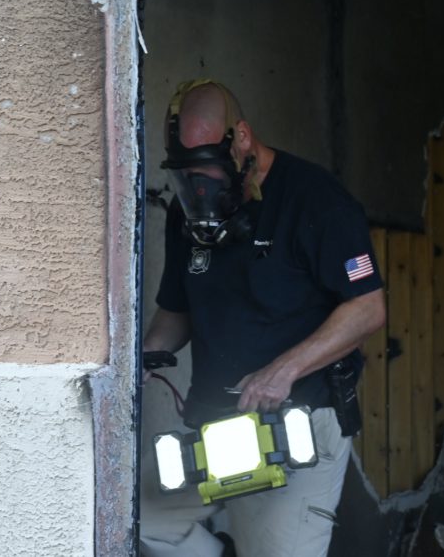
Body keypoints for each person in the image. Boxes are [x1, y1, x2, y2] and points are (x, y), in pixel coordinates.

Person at [140, 79, 386, 557]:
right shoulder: (185, 213)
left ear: (243, 140)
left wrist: (283, 370)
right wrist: (144, 358)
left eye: (209, 174)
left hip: (297, 424)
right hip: (216, 424)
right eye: (187, 177)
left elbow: (367, 308)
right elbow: (177, 310)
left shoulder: (316, 200)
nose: (199, 190)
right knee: (136, 518)